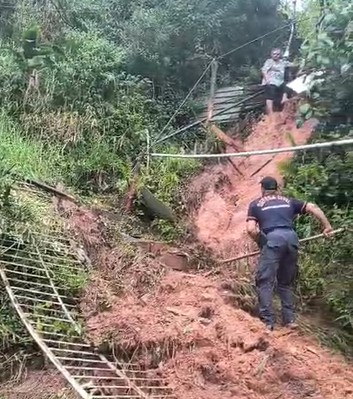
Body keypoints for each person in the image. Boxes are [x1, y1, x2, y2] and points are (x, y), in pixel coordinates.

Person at [246, 176, 333, 331]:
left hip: (273, 238)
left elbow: (251, 229)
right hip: (291, 238)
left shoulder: (255, 205)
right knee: (285, 283)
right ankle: (289, 320)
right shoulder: (289, 201)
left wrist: (262, 243)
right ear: (277, 188)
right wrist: (326, 226)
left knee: (265, 281)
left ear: (262, 189)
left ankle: (267, 322)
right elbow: (312, 207)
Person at [261, 48, 292, 118]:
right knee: (270, 92)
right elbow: (264, 71)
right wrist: (267, 79)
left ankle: (284, 98)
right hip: (271, 81)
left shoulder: (283, 62)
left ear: (280, 55)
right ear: (271, 55)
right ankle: (270, 112)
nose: (276, 55)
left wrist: (287, 57)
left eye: (278, 54)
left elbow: (293, 64)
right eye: (274, 54)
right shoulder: (269, 62)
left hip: (279, 82)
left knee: (287, 85)